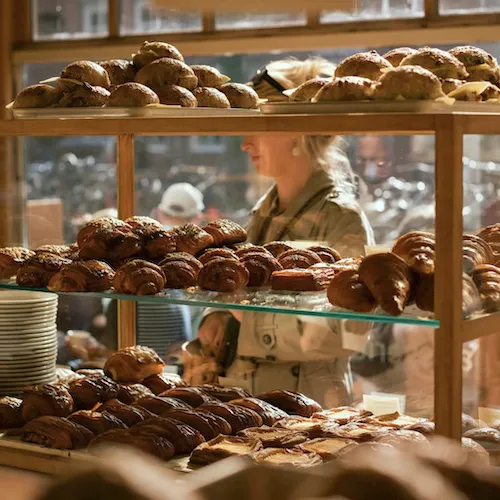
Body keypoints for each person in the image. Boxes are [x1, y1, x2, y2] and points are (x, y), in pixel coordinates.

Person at [190, 57, 375, 407]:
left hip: (309, 409)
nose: (245, 143)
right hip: (248, 401)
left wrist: (248, 317)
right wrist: (216, 316)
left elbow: (349, 332)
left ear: (296, 131)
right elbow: (243, 295)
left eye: (259, 127)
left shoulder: (342, 219)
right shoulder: (262, 212)